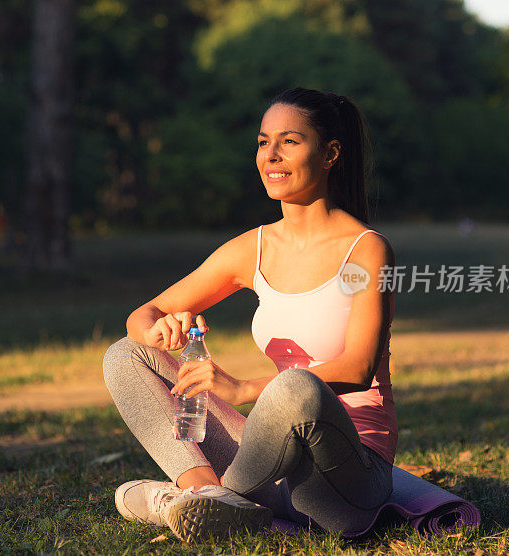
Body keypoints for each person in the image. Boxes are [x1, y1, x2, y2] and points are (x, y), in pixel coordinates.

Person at [102, 87, 397, 544]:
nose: (271, 156)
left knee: (296, 385)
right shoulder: (254, 248)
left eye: (290, 142)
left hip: (346, 480)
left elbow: (359, 367)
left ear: (330, 154)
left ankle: (186, 504)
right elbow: (145, 313)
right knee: (126, 354)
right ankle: (203, 495)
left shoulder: (366, 251)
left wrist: (243, 389)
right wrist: (162, 331)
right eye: (263, 142)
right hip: (271, 460)